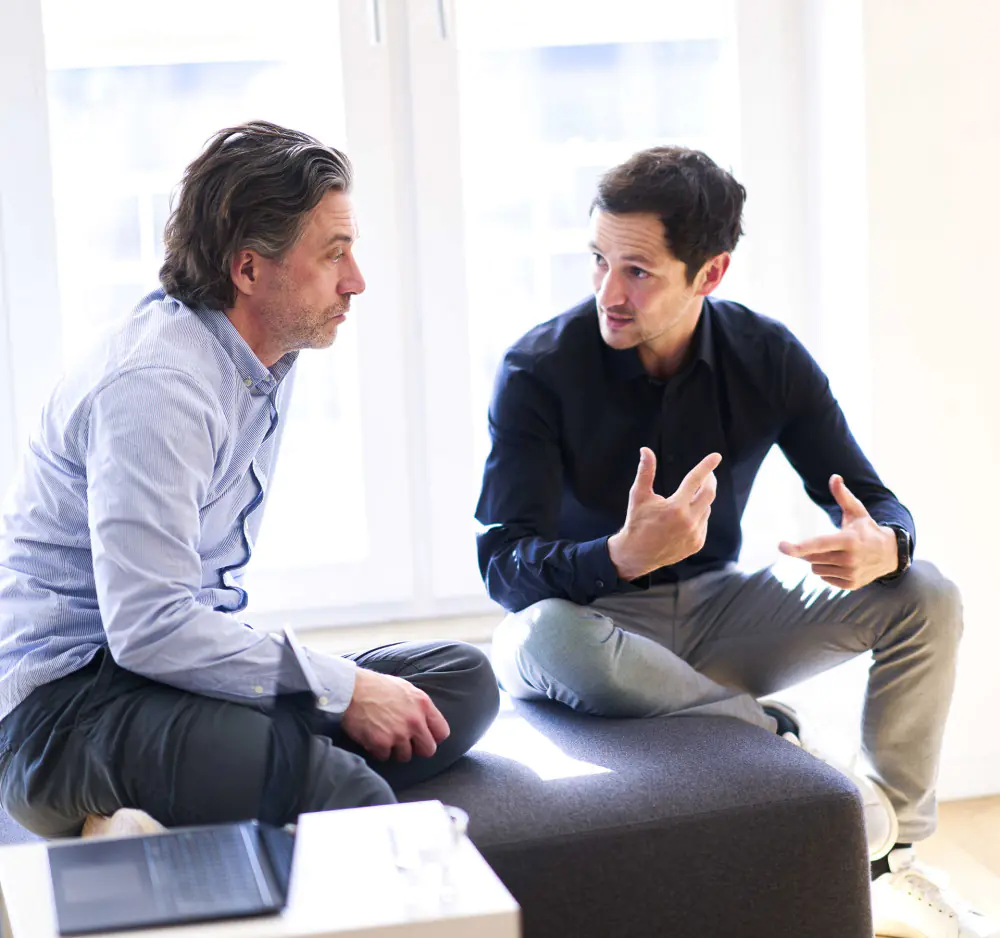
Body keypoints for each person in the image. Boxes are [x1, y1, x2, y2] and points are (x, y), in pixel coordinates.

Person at [476, 146, 992, 938]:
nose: (608, 292)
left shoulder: (767, 355)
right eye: (598, 261)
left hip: (716, 612)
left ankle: (892, 859)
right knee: (544, 631)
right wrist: (617, 556)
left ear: (709, 274)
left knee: (928, 592)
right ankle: (778, 741)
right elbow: (503, 565)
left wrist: (885, 543)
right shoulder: (537, 369)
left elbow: (873, 497)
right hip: (590, 631)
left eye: (637, 272)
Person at [0, 121, 498, 840]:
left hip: (165, 681)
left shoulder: (261, 353)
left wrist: (343, 691)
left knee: (460, 682)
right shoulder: (158, 385)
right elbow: (148, 628)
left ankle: (242, 774)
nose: (355, 280)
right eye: (334, 254)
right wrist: (344, 689)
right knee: (348, 794)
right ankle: (266, 771)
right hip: (65, 714)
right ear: (248, 269)